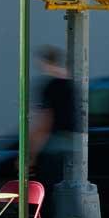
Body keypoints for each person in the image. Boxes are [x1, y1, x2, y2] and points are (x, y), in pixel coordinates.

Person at [29, 43, 76, 189]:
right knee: (66, 186)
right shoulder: (71, 82)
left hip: (53, 143)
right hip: (71, 142)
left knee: (47, 186)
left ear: (43, 61)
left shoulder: (49, 85)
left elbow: (45, 121)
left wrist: (32, 154)